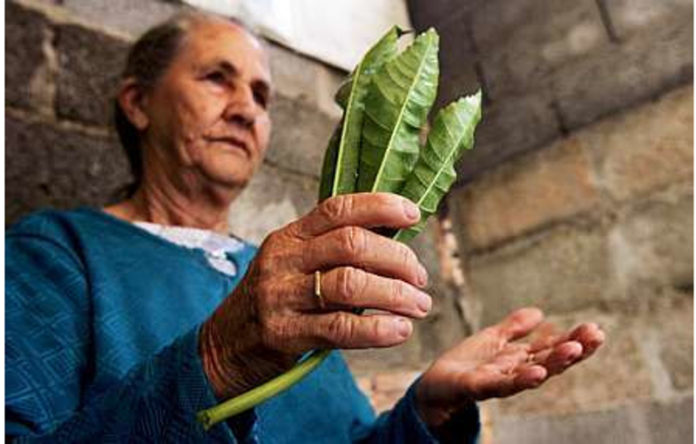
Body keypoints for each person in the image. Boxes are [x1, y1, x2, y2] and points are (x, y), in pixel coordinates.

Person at [5, 11, 605, 443]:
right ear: (137, 103)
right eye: (217, 78)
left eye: (262, 96)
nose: (246, 109)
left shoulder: (281, 275)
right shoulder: (53, 253)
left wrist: (427, 409)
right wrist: (215, 358)